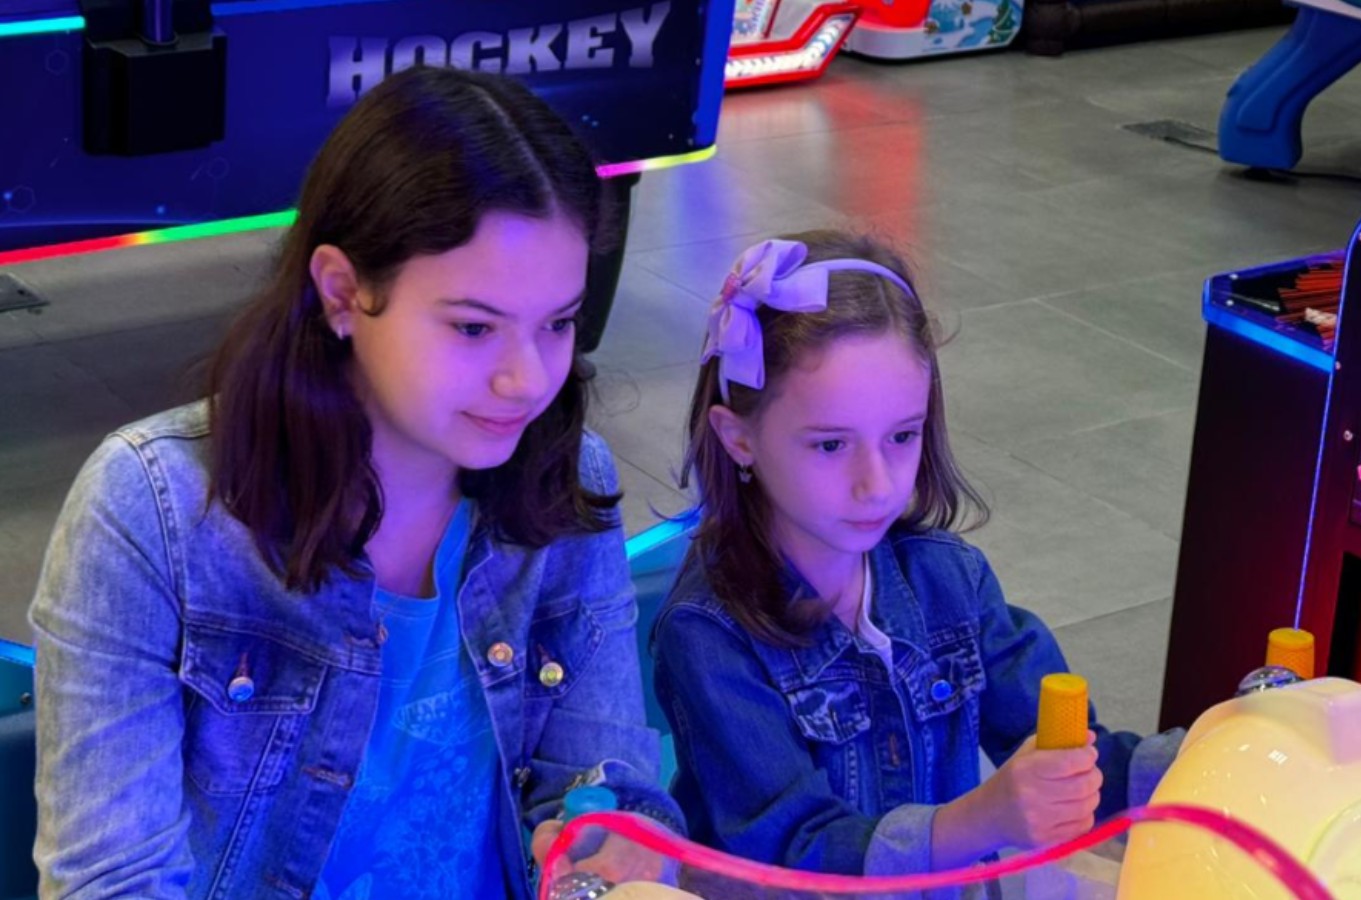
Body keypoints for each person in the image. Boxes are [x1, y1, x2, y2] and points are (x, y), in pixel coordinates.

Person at [29, 66, 677, 900]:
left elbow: (602, 780)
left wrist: (613, 839)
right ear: (342, 292)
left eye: (557, 323)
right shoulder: (149, 509)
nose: (528, 379)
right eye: (474, 327)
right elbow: (111, 882)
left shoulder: (566, 478)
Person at [651, 231, 1177, 876]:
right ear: (738, 439)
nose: (878, 484)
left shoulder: (950, 577)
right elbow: (795, 851)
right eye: (830, 445)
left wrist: (1217, 753)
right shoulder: (707, 632)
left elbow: (1075, 759)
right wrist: (980, 819)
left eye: (902, 435)